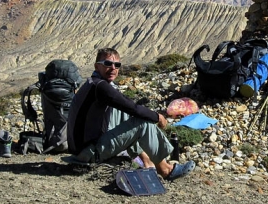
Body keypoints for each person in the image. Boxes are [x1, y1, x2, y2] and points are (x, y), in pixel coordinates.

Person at [67, 47, 195, 181]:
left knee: (126, 113)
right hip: (89, 153)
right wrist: (158, 117)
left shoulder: (93, 83)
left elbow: (126, 105)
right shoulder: (100, 87)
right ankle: (165, 170)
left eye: (117, 65)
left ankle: (147, 161)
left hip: (82, 151)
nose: (113, 68)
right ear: (96, 66)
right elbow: (132, 107)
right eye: (107, 64)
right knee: (143, 122)